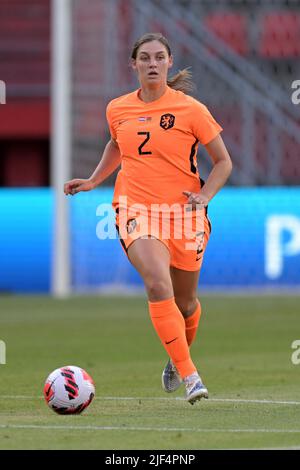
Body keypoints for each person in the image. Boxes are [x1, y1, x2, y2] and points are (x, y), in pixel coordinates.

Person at [64, 33, 232, 405]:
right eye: (145, 58)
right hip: (136, 209)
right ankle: (191, 376)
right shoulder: (117, 108)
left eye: (159, 57)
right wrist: (94, 180)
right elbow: (116, 144)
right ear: (134, 64)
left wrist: (204, 195)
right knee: (158, 285)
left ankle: (176, 358)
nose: (152, 63)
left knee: (185, 304)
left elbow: (223, 162)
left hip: (185, 215)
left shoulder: (191, 110)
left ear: (170, 62)